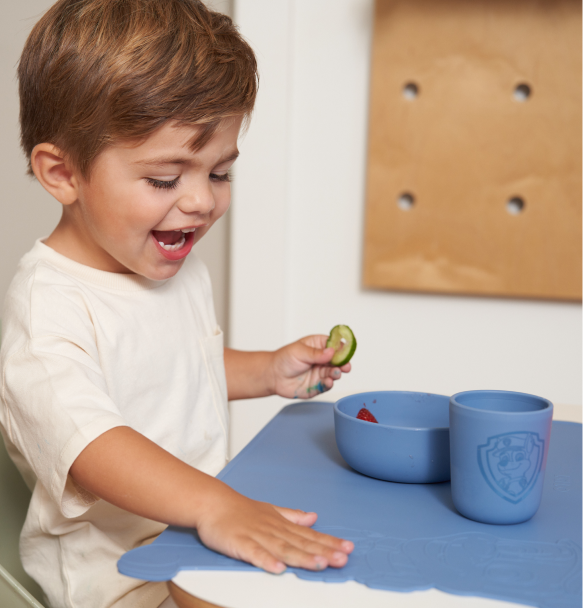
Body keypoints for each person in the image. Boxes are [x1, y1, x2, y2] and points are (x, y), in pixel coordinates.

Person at [0, 1, 354, 607]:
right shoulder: (49, 310)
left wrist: (267, 370)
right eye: (166, 179)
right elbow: (92, 446)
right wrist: (217, 506)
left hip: (195, 533)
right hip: (124, 578)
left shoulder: (165, 262)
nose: (199, 202)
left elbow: (172, 370)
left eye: (219, 174)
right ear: (62, 173)